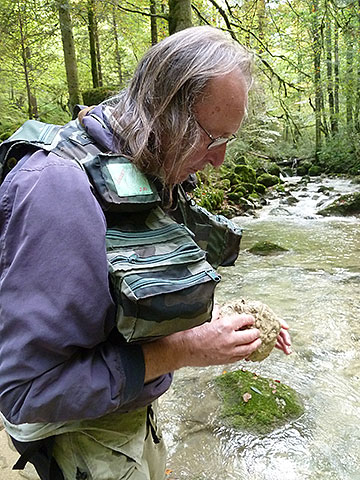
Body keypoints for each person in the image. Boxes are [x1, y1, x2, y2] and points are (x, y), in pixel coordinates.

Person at [0, 26, 291, 480]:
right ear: (165, 112)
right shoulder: (57, 190)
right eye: (214, 139)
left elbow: (139, 290)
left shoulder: (148, 164)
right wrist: (186, 349)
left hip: (131, 417)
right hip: (80, 440)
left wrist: (226, 326)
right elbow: (25, 392)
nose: (220, 160)